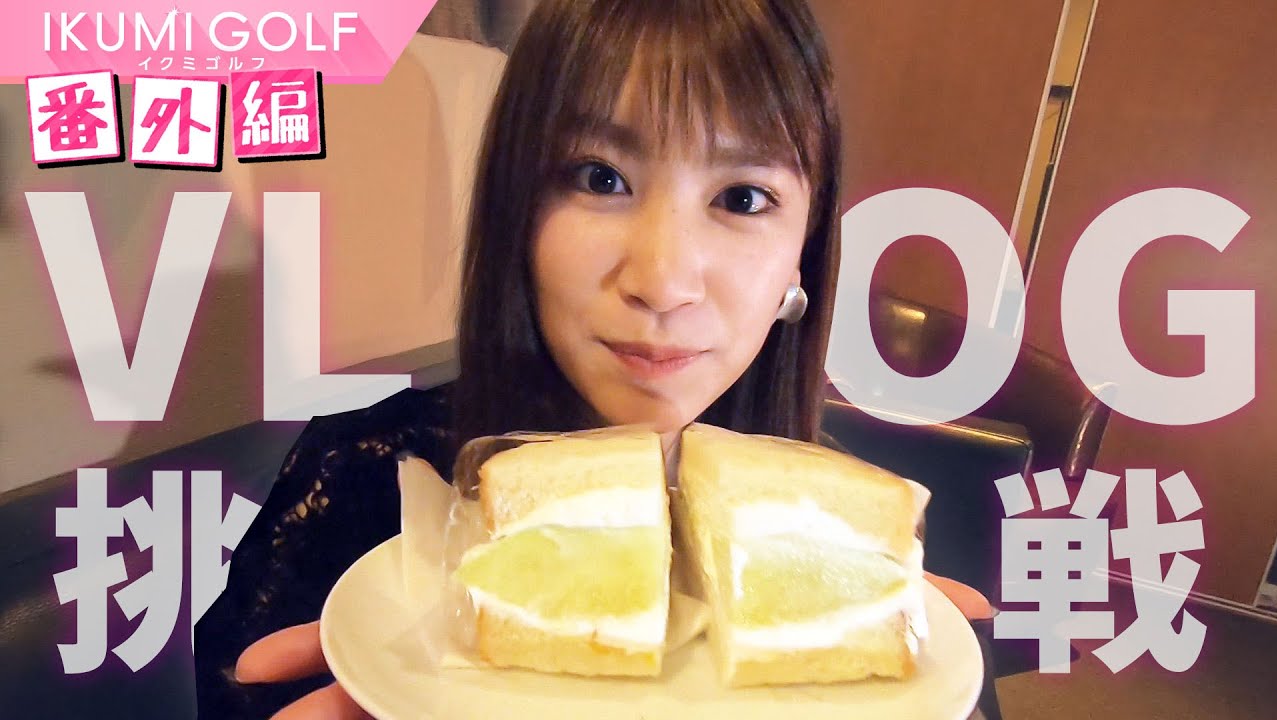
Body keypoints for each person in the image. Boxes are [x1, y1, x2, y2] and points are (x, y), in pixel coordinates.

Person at [194, 1, 993, 717]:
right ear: (519, 209)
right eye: (600, 178)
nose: (663, 282)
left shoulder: (861, 575)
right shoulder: (357, 485)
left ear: (802, 256)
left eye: (742, 198)